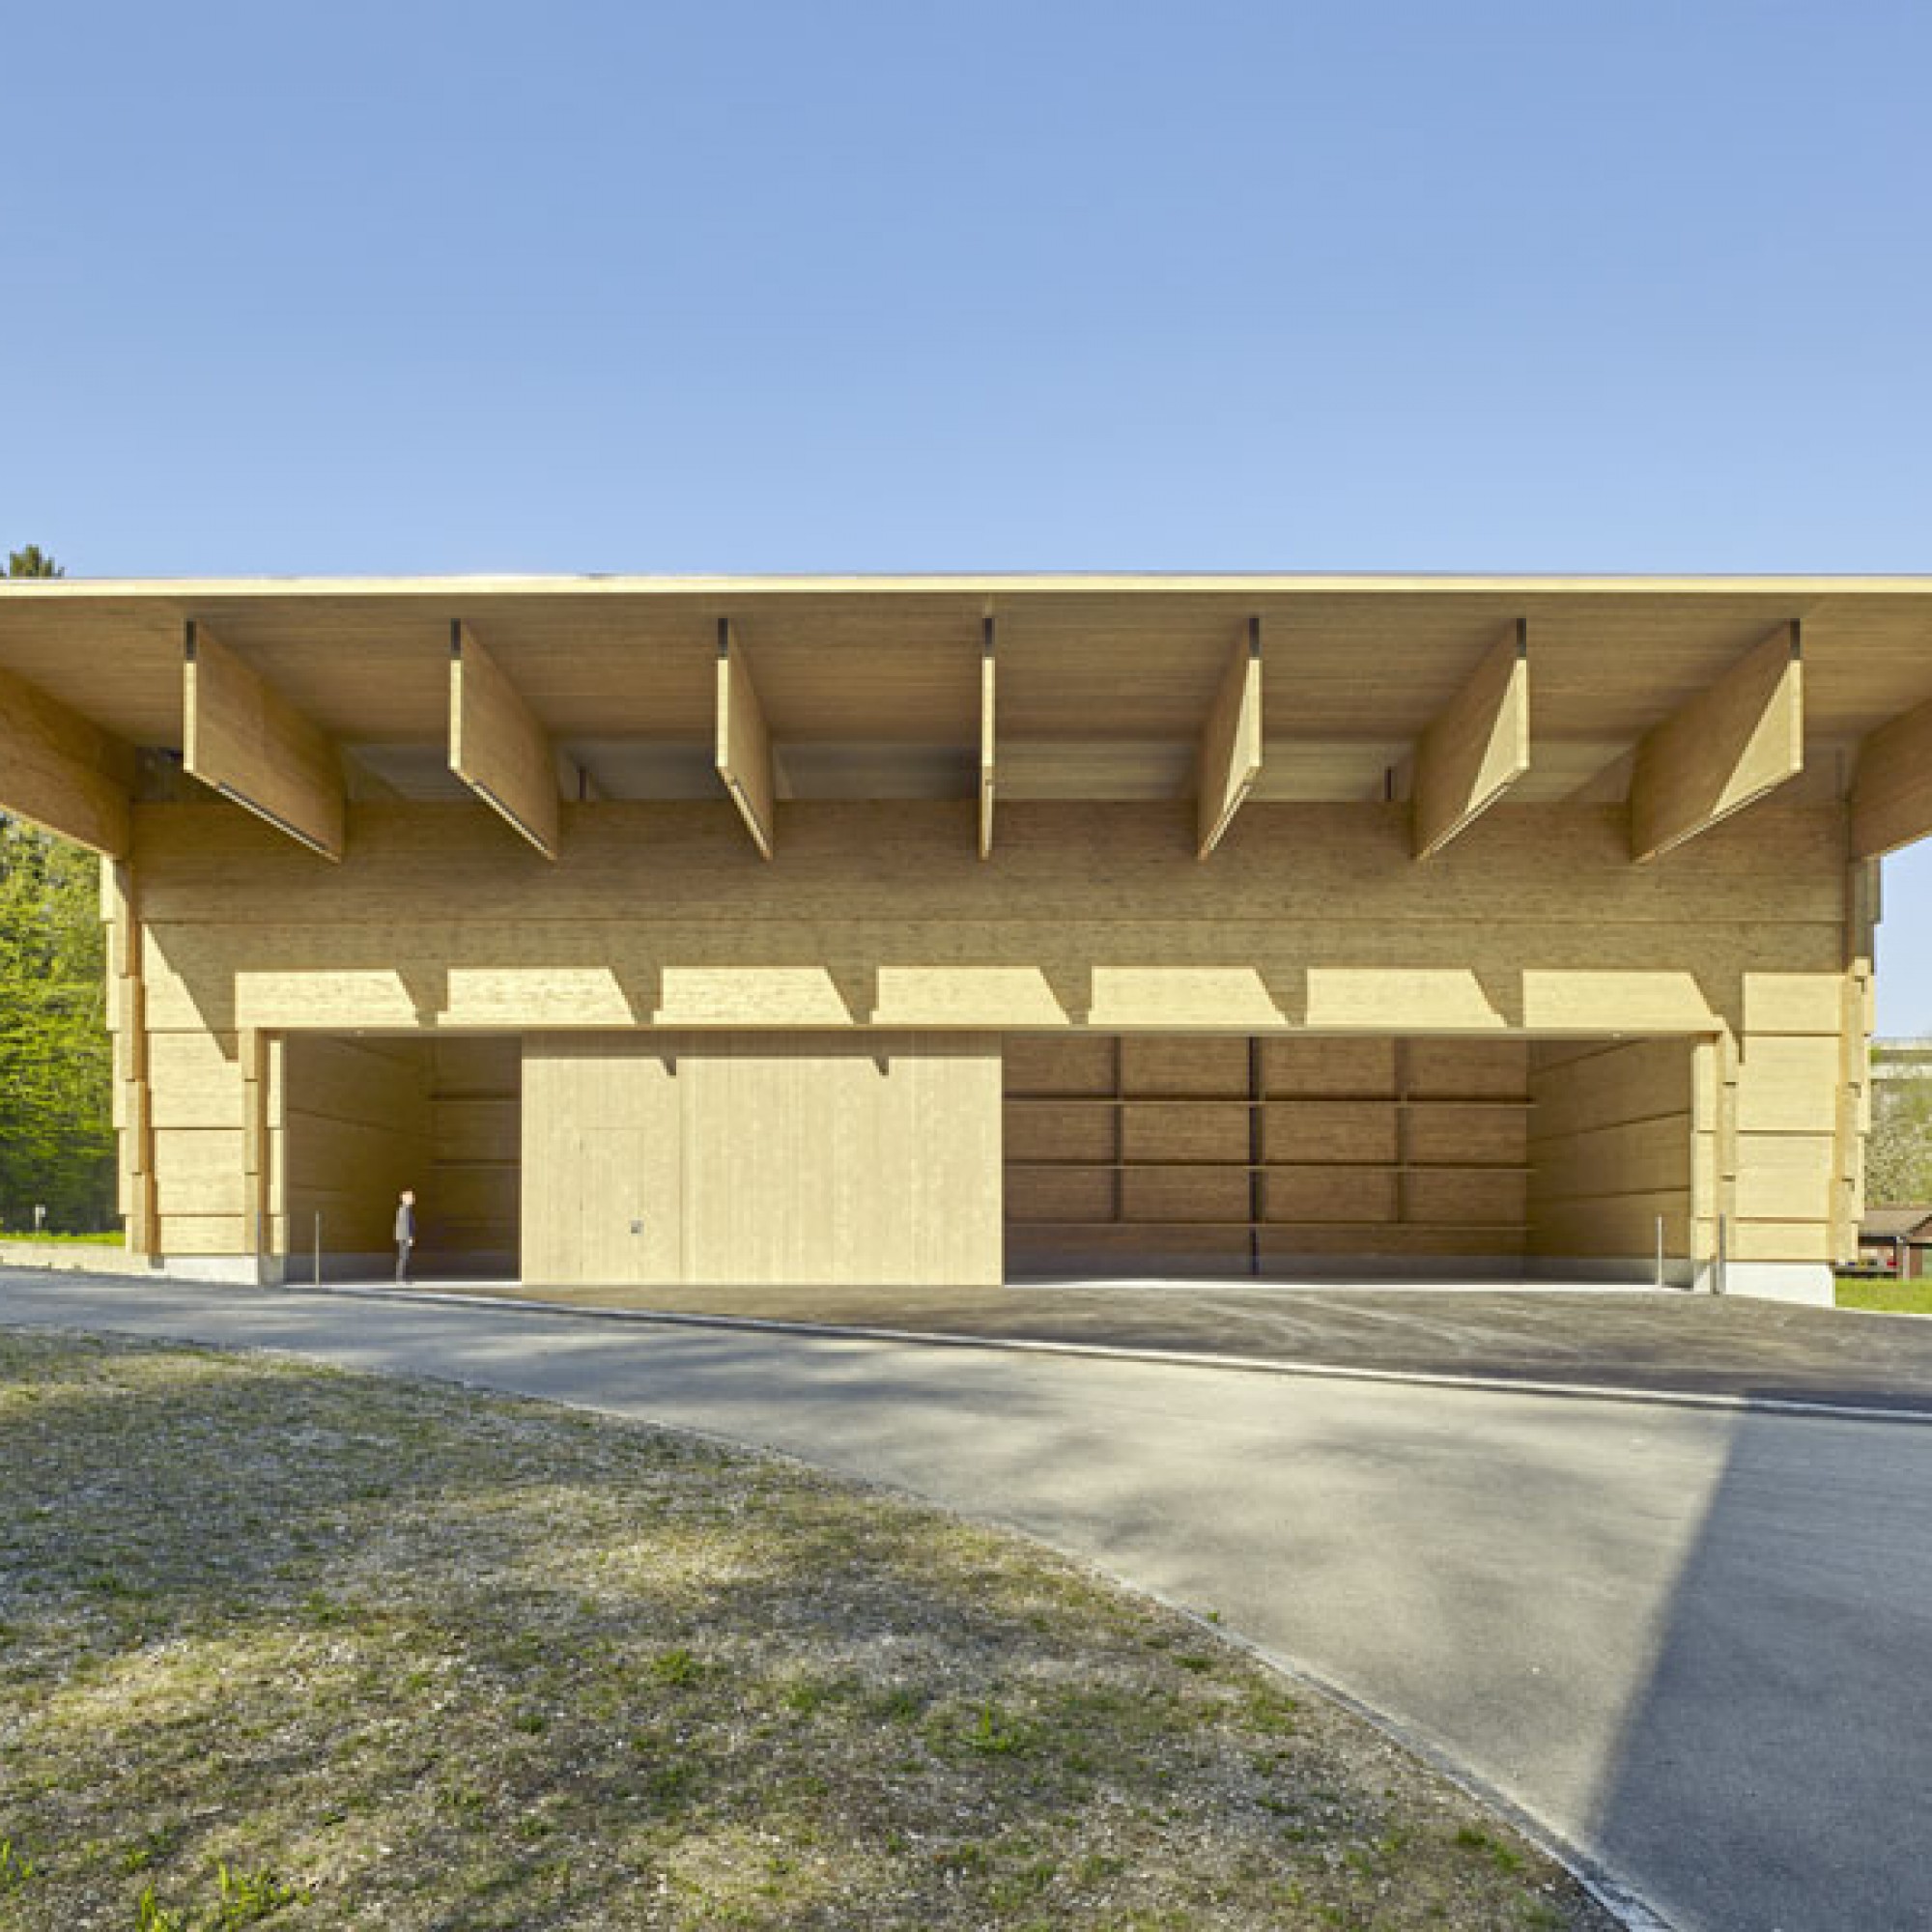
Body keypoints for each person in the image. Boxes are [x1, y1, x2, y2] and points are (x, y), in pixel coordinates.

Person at [395, 1188, 416, 1285]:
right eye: (411, 1197)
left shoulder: (405, 1209)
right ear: (406, 1199)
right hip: (404, 1236)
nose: (413, 1199)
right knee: (403, 1257)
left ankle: (401, 1278)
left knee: (404, 1257)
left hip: (402, 1236)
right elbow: (405, 1224)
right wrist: (409, 1237)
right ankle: (400, 1279)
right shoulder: (404, 1209)